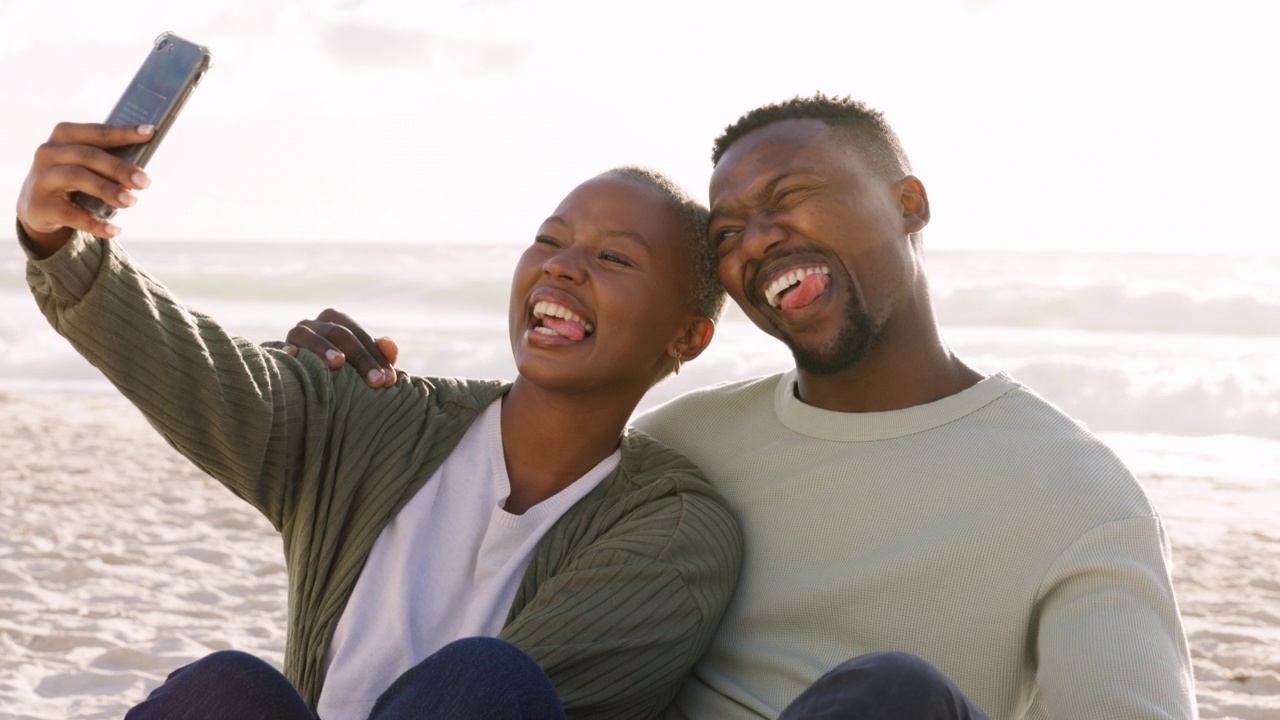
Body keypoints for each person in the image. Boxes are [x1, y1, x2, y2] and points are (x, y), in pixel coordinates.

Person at [286, 94, 1197, 719]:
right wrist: (355, 394)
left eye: (791, 198)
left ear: (909, 204)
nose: (759, 240)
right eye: (727, 232)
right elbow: (493, 520)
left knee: (890, 695)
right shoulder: (684, 446)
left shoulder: (1076, 496)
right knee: (233, 690)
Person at [16, 121, 743, 719]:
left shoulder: (674, 529)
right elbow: (201, 372)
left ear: (687, 337)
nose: (562, 267)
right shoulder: (372, 416)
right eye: (549, 242)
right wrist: (60, 237)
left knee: (484, 681)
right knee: (227, 689)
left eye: (614, 256)